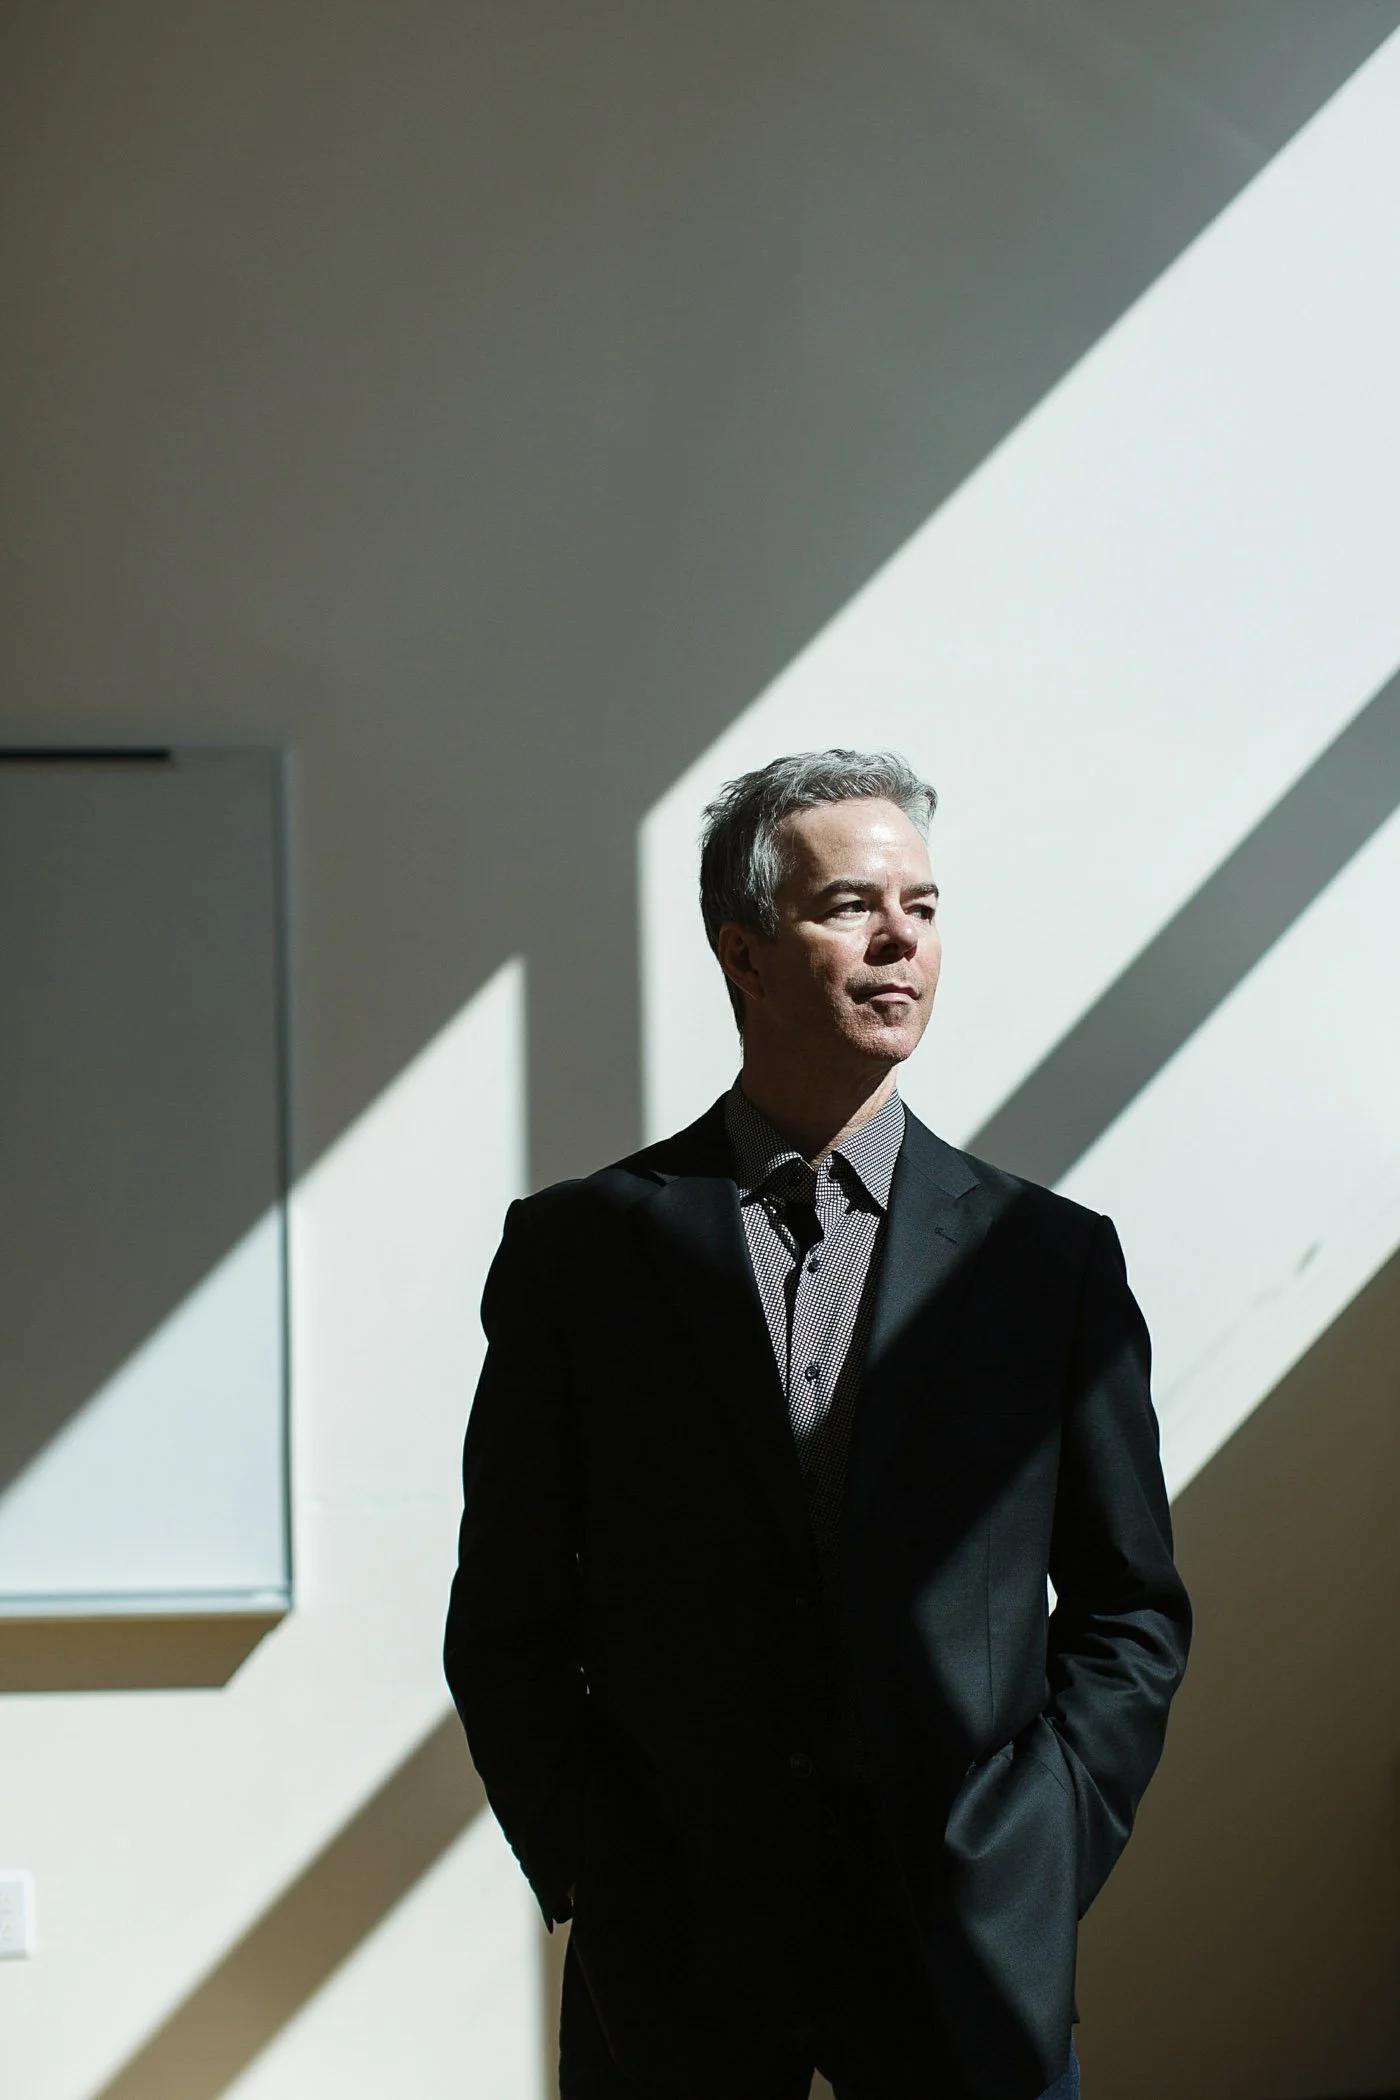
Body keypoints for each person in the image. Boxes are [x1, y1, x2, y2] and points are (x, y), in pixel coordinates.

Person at [444, 749, 1190, 2100]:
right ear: (743, 950)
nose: (902, 938)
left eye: (924, 905)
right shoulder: (579, 1253)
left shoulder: (1048, 1261)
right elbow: (507, 1616)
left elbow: (1129, 1606)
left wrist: (1047, 1842)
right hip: (679, 1953)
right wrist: (598, 1870)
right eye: (853, 904)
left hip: (971, 1949)